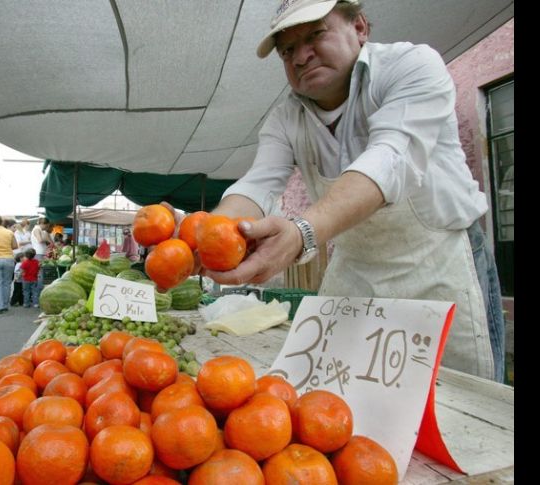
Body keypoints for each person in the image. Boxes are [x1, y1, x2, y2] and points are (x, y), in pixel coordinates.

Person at [198, 0, 505, 382]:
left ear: (359, 27)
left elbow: (390, 157)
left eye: (315, 35)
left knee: (456, 397)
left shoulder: (410, 66)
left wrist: (302, 232)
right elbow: (258, 183)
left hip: (438, 265)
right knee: (338, 388)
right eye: (288, 50)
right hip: (355, 269)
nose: (301, 56)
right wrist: (208, 234)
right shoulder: (286, 118)